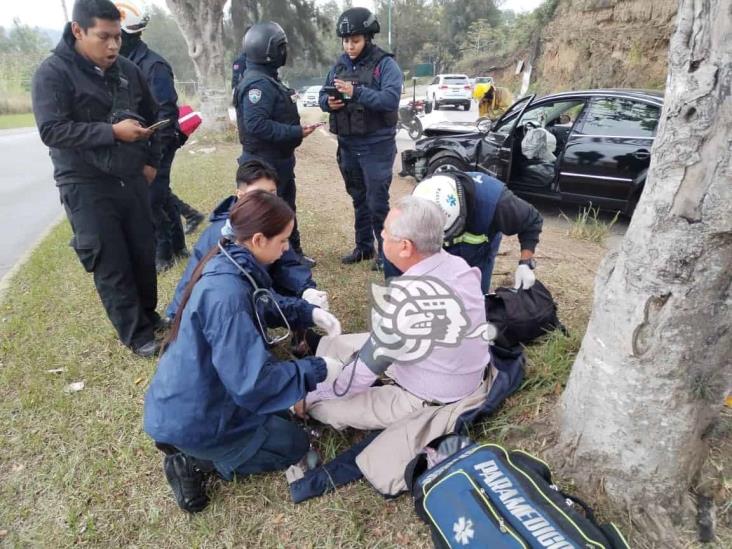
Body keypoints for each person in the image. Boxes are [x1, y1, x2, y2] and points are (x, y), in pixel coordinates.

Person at [144, 190, 343, 513]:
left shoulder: (232, 260)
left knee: (285, 415)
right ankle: (194, 462)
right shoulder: (226, 295)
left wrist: (307, 313)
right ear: (259, 239)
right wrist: (319, 369)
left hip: (202, 397)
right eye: (283, 241)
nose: (287, 249)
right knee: (295, 444)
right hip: (197, 417)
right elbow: (253, 382)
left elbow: (262, 303)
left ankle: (207, 447)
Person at [32, 0, 163, 357]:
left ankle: (150, 316)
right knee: (111, 261)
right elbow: (53, 130)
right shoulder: (53, 73)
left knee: (141, 249)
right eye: (103, 37)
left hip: (131, 176)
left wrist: (151, 162)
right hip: (84, 184)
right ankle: (137, 335)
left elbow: (154, 115)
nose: (113, 46)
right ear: (78, 31)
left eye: (117, 37)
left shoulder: (127, 71)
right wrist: (111, 132)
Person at [297, 195, 491, 432]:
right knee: (339, 344)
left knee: (327, 405)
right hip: (460, 375)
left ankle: (307, 399)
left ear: (405, 247)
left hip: (432, 398)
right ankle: (321, 354)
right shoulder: (459, 266)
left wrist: (312, 397)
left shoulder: (408, 297)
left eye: (386, 231)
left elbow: (360, 377)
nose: (382, 235)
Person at [165, 159, 327, 321]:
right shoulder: (224, 234)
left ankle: (301, 338)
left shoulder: (270, 220)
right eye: (259, 195)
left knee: (294, 287)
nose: (268, 200)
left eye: (272, 193)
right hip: (207, 309)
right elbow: (208, 284)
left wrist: (306, 289)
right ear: (241, 195)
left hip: (248, 288)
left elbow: (287, 261)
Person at [319, 7, 402, 271]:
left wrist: (356, 92)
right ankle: (364, 247)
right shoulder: (339, 66)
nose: (349, 46)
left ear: (367, 38)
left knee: (377, 202)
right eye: (346, 41)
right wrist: (328, 102)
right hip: (348, 144)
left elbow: (389, 99)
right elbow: (322, 95)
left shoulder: (385, 65)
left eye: (355, 40)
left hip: (377, 144)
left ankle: (386, 254)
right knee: (358, 197)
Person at [234, 21, 316, 268]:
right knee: (265, 214)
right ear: (268, 50)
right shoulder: (257, 85)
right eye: (281, 47)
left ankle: (292, 254)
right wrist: (295, 131)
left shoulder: (267, 79)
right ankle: (274, 260)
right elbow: (256, 125)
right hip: (263, 163)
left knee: (285, 207)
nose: (284, 51)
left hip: (277, 160)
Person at [115, 1, 189, 273]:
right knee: (161, 194)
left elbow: (166, 114)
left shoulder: (153, 66)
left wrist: (155, 152)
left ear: (128, 35)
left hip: (157, 143)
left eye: (116, 35)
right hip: (135, 144)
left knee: (151, 198)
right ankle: (179, 245)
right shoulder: (120, 65)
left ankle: (163, 252)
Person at [383, 171, 544, 294]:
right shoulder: (420, 200)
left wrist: (525, 263)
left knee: (473, 296)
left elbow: (531, 221)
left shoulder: (496, 202)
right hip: (425, 247)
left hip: (479, 249)